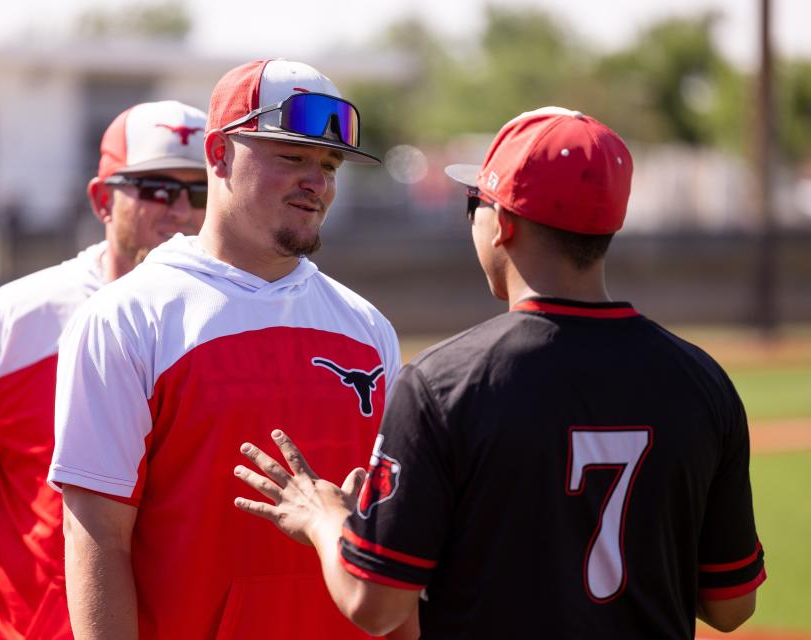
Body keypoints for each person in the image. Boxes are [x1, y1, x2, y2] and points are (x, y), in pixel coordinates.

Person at [234, 106, 767, 639]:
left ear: (503, 224)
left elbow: (375, 606)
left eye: (476, 203)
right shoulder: (701, 382)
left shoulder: (444, 384)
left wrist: (325, 519)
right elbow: (731, 605)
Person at [48, 58, 401, 640]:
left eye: (330, 164)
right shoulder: (126, 318)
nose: (318, 182)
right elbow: (97, 542)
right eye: (292, 157)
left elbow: (389, 535)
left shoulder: (367, 327)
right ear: (217, 154)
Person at [0, 99, 209, 639]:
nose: (180, 209)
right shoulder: (17, 317)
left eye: (199, 191)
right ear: (101, 199)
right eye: (156, 188)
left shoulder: (231, 325)